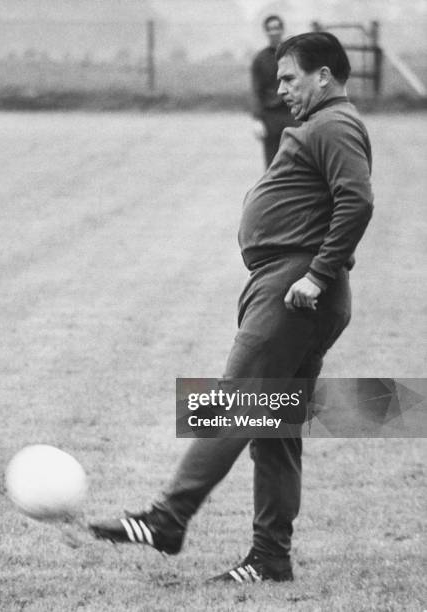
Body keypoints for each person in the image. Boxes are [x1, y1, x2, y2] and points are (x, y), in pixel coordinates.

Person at [85, 32, 374, 584]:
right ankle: (270, 558)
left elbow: (357, 200)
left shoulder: (334, 122)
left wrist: (315, 273)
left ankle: (168, 519)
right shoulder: (324, 123)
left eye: (289, 77)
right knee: (276, 429)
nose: (279, 87)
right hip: (291, 284)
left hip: (296, 288)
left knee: (236, 403)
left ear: (324, 76)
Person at [251, 15, 297, 168]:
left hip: (292, 115)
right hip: (270, 117)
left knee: (295, 162)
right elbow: (256, 91)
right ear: (266, 32)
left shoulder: (292, 57)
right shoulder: (260, 59)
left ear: (282, 30)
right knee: (272, 165)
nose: (274, 32)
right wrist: (257, 120)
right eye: (270, 29)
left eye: (277, 28)